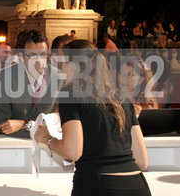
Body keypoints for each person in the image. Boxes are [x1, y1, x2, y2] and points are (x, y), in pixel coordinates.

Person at [35, 40, 150, 196]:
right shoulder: (122, 99)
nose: (60, 68)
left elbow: (73, 151)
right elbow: (142, 161)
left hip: (99, 184)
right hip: (137, 184)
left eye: (62, 63)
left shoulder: (72, 95)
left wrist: (47, 138)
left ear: (73, 65)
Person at [0, 30, 63, 138]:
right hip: (15, 144)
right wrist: (40, 128)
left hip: (49, 145)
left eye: (43, 55)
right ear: (21, 55)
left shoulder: (59, 77)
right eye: (32, 55)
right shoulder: (4, 77)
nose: (39, 61)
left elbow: (59, 121)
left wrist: (24, 124)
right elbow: (2, 124)